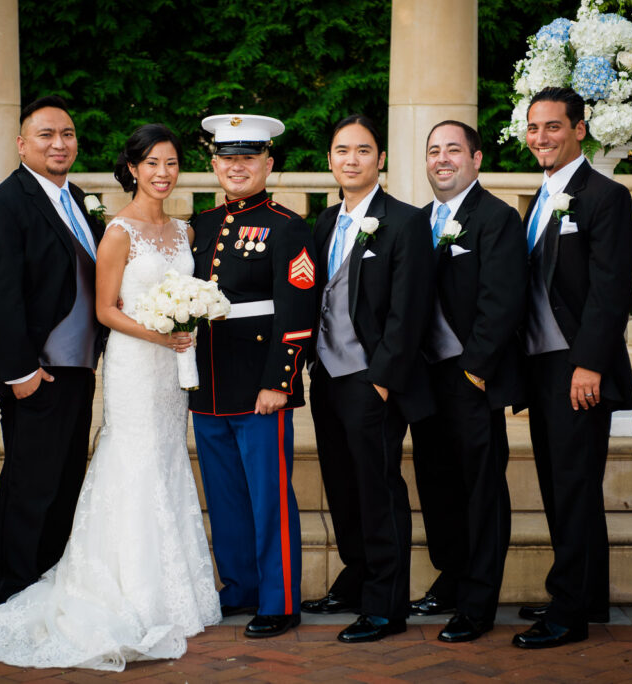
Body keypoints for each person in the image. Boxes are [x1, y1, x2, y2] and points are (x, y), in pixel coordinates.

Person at [0, 124, 220, 670]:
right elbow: (106, 309)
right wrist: (162, 334)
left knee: (168, 463)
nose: (162, 173)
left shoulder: (184, 232)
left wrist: (188, 323)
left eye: (171, 164)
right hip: (136, 362)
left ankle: (174, 589)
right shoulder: (117, 231)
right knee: (131, 463)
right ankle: (123, 589)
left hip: (171, 369)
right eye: (151, 163)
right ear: (132, 168)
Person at [0, 96, 104, 605]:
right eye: (46, 135)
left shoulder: (78, 199)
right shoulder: (3, 205)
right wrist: (21, 371)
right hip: (37, 373)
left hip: (77, 370)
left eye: (66, 134)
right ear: (22, 144)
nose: (59, 143)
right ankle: (13, 591)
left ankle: (48, 583)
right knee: (30, 486)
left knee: (63, 481)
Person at [512, 87, 632, 649]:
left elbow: (611, 292)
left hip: (577, 367)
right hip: (541, 366)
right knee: (563, 485)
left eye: (553, 127)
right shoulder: (539, 198)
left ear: (579, 130)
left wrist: (588, 364)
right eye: (534, 128)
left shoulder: (604, 197)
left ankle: (568, 612)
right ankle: (588, 594)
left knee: (574, 486)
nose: (542, 137)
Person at [300, 114, 434, 643]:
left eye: (362, 150)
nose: (351, 159)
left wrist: (382, 379)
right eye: (341, 150)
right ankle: (355, 579)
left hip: (370, 379)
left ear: (380, 159)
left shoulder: (404, 222)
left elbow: (409, 310)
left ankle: (385, 604)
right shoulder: (324, 222)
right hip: (327, 377)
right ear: (330, 160)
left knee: (378, 489)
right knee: (341, 484)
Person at [189, 114, 317, 639]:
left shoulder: (289, 226)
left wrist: (280, 383)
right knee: (224, 498)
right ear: (214, 164)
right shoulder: (198, 226)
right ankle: (238, 588)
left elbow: (298, 311)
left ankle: (279, 597)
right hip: (208, 384)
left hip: (259, 384)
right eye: (227, 158)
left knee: (269, 497)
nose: (236, 167)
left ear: (269, 163)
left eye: (248, 158)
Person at [407, 120, 527, 642]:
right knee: (436, 485)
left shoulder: (496, 218)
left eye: (453, 150)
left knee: (481, 492)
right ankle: (452, 577)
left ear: (476, 159)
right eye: (434, 151)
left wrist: (475, 371)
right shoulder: (416, 222)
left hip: (469, 379)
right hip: (424, 381)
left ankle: (478, 602)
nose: (442, 159)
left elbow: (501, 302)